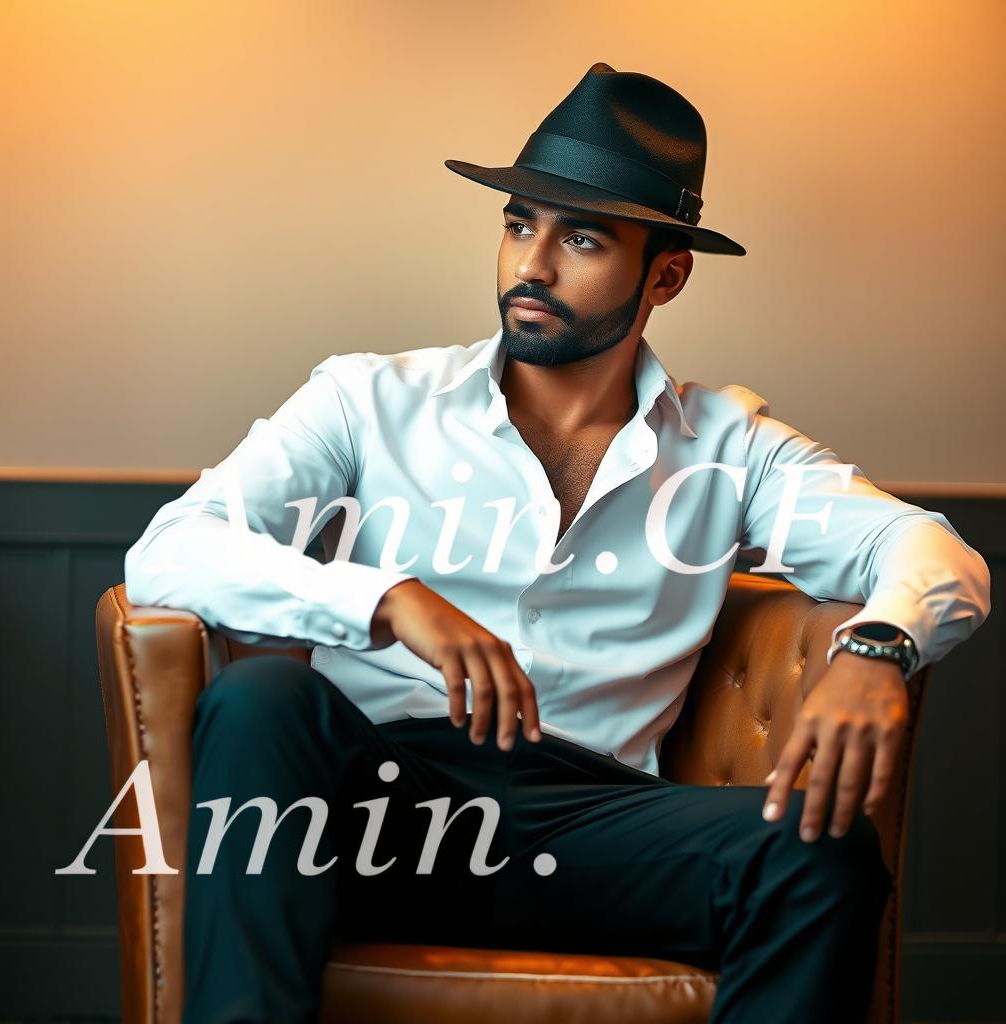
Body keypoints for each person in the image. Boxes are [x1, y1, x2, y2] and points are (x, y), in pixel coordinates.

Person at [124, 62, 991, 1023]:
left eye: (580, 238)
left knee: (820, 852)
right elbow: (170, 549)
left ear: (666, 274)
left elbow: (930, 549)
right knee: (261, 698)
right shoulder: (366, 400)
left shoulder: (730, 447)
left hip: (591, 825)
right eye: (517, 225)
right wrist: (386, 601)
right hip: (374, 806)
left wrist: (877, 647)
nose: (531, 266)